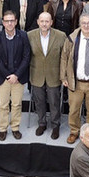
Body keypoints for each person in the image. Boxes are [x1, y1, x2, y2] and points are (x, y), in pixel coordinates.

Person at [60, 13, 89, 144]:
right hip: (76, 82)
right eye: (83, 23)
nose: (86, 26)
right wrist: (63, 76)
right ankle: (74, 132)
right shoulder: (71, 39)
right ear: (80, 24)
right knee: (74, 110)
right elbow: (64, 58)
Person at [0, 10, 31, 141]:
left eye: (11, 21)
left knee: (16, 104)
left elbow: (26, 57)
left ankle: (15, 127)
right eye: (6, 21)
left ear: (16, 22)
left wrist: (16, 75)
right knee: (3, 105)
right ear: (2, 22)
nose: (9, 23)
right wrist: (8, 75)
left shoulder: (23, 36)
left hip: (18, 78)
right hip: (3, 78)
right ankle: (3, 129)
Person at [28, 11, 66, 140]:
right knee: (39, 102)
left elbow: (64, 58)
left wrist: (63, 75)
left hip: (54, 75)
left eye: (47, 21)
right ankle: (42, 123)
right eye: (42, 21)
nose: (44, 24)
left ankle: (55, 126)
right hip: (36, 74)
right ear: (38, 22)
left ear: (51, 22)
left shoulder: (61, 36)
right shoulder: (30, 35)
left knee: (54, 102)